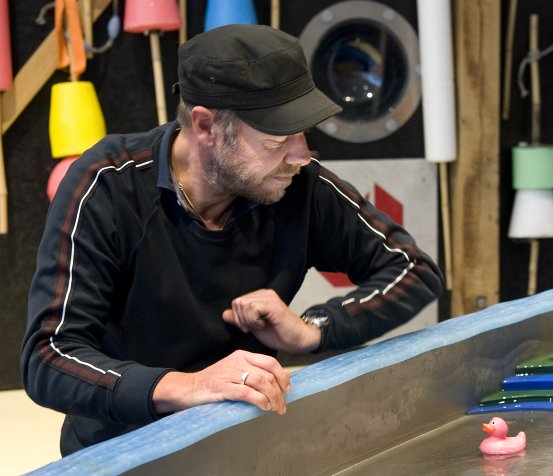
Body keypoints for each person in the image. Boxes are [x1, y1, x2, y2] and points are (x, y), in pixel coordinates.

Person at [20, 24, 443, 456]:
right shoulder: (107, 187)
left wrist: (313, 331)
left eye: (303, 133)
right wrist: (188, 387)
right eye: (276, 138)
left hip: (246, 445)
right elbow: (48, 356)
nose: (300, 155)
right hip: (121, 449)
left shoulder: (298, 185)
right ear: (205, 126)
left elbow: (413, 269)